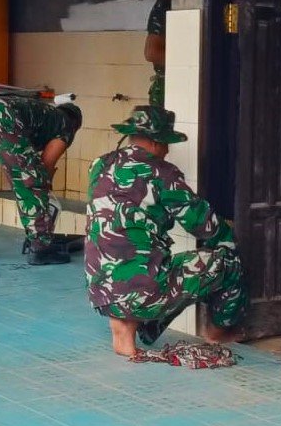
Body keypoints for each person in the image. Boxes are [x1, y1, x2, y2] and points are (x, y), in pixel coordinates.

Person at [86, 105, 246, 357]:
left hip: (100, 289)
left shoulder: (100, 164)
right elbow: (203, 224)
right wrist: (230, 238)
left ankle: (124, 332)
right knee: (228, 263)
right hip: (141, 291)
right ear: (155, 141)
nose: (168, 150)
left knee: (140, 261)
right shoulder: (161, 173)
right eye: (166, 144)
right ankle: (217, 335)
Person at [0, 95, 83, 265]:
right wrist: (44, 192)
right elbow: (45, 167)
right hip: (0, 115)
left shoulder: (45, 113)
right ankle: (41, 246)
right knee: (30, 180)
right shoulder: (66, 125)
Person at [143, 0, 172, 107]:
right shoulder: (162, 10)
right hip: (168, 89)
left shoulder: (176, 3)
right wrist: (188, 62)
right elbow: (151, 53)